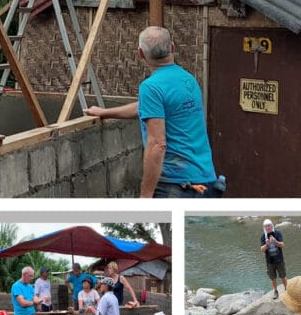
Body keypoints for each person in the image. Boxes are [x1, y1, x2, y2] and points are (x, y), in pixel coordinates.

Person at [83, 26, 221, 198]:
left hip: (176, 186)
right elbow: (148, 108)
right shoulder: (188, 80)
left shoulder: (151, 87)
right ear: (172, 47)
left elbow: (157, 144)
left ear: (140, 53)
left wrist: (145, 196)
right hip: (207, 180)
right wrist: (105, 112)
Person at [261, 219, 287, 299]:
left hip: (279, 260)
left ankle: (287, 289)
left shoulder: (277, 233)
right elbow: (262, 249)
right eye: (266, 226)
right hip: (270, 261)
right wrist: (267, 244)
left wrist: (275, 241)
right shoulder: (263, 236)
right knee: (273, 278)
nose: (267, 227)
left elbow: (282, 245)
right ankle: (275, 291)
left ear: (272, 225)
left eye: (269, 225)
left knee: (283, 276)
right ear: (264, 227)